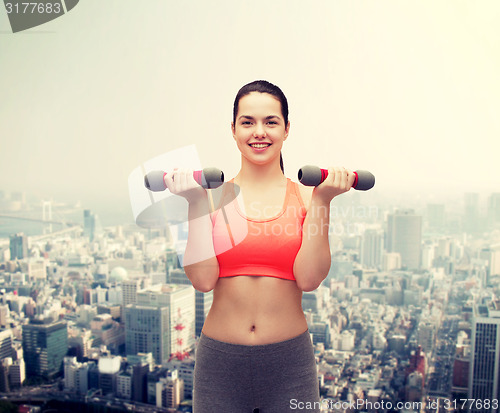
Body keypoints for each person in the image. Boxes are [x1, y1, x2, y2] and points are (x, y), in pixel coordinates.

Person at [164, 80, 355, 413]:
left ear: (286, 129)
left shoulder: (307, 196)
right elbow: (202, 281)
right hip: (220, 364)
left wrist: (324, 199)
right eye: (247, 122)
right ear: (234, 130)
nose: (259, 132)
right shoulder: (213, 197)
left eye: (271, 121)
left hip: (289, 364)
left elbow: (309, 279)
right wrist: (195, 201)